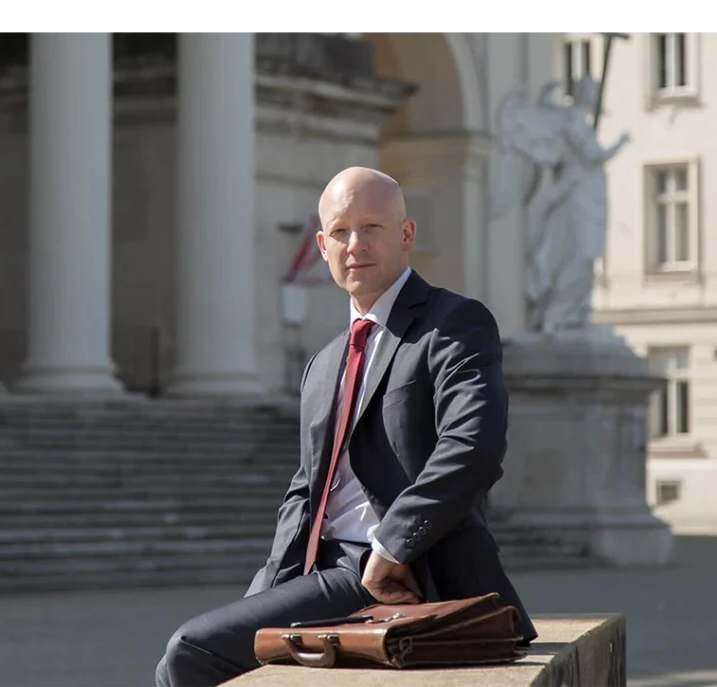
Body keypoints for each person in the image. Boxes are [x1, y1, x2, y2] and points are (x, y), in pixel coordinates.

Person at [155, 166, 537, 687]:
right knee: (202, 651)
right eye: (339, 231)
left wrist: (391, 546)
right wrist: (265, 591)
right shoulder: (325, 362)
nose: (354, 244)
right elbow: (306, 489)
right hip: (320, 573)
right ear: (321, 245)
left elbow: (474, 446)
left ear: (406, 235)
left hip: (400, 572)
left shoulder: (453, 324)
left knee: (189, 653)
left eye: (372, 227)